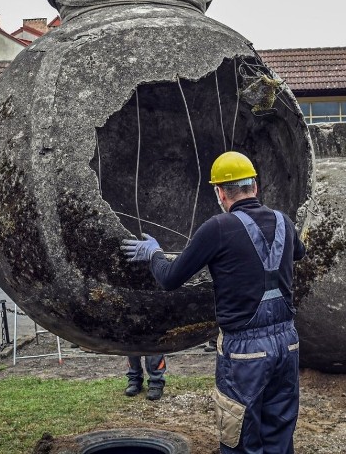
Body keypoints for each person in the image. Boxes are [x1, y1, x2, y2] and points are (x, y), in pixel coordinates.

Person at [121, 151, 306, 453]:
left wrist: (153, 253)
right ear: (255, 187)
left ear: (220, 192)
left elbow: (170, 279)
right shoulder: (283, 221)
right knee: (279, 435)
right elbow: (298, 253)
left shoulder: (218, 228)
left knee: (241, 439)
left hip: (246, 354)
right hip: (287, 345)